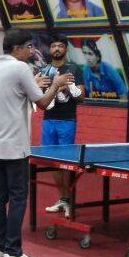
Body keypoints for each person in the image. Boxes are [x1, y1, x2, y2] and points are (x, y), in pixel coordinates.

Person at [0, 29, 74, 257]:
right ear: (16, 49)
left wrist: (31, 85)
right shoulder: (21, 68)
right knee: (17, 198)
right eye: (29, 47)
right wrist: (56, 84)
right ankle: (13, 253)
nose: (32, 51)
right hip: (14, 146)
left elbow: (13, 93)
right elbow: (42, 103)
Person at [39, 34, 85, 216]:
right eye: (53, 46)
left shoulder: (74, 69)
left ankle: (69, 201)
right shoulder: (44, 71)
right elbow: (39, 98)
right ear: (50, 49)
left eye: (60, 46)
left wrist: (68, 87)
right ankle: (63, 198)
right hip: (48, 120)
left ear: (65, 49)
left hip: (67, 121)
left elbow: (81, 97)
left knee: (66, 163)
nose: (56, 49)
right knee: (53, 162)